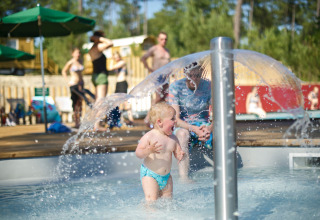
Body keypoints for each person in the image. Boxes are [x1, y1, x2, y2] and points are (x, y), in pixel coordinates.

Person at [168, 61, 213, 181]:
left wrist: (209, 128)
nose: (193, 79)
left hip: (204, 124)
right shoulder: (176, 87)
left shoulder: (209, 86)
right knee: (182, 134)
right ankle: (184, 177)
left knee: (223, 130)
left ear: (202, 74)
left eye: (197, 76)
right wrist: (194, 129)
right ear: (185, 74)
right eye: (190, 76)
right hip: (183, 125)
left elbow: (219, 115)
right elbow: (175, 120)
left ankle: (228, 172)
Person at [135, 102, 184, 201]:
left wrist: (180, 155)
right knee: (151, 200)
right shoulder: (150, 136)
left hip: (166, 177)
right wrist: (148, 150)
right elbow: (138, 153)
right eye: (172, 119)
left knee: (168, 201)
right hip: (150, 175)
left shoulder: (173, 138)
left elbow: (177, 152)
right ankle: (150, 215)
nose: (175, 121)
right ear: (159, 122)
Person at [140, 31, 171, 126]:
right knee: (158, 98)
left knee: (165, 98)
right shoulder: (155, 49)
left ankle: (158, 119)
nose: (164, 41)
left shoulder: (167, 50)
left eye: (165, 39)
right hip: (158, 76)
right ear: (158, 39)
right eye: (162, 39)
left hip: (166, 76)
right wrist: (149, 69)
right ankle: (147, 118)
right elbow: (143, 58)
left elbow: (169, 63)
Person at [62, 47, 95, 128]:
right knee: (75, 103)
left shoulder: (81, 61)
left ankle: (79, 121)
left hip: (81, 84)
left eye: (79, 53)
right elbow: (63, 71)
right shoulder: (71, 62)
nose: (78, 54)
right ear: (73, 54)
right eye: (76, 53)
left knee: (80, 103)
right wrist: (68, 82)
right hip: (73, 85)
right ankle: (76, 122)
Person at [89, 30, 114, 130]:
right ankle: (96, 125)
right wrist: (99, 38)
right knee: (101, 101)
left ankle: (94, 124)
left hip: (95, 76)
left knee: (97, 101)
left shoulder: (92, 49)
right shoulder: (98, 47)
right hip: (101, 76)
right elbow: (110, 43)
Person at [109, 51, 134, 126]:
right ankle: (120, 119)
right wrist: (112, 59)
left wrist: (111, 60)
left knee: (125, 101)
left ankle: (131, 119)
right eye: (115, 57)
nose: (117, 58)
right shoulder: (117, 63)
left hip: (122, 83)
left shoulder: (122, 62)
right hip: (118, 84)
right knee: (116, 102)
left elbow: (111, 68)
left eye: (117, 56)